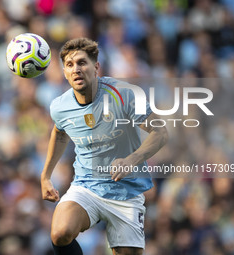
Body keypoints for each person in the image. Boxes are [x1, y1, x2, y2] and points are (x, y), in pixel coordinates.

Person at [41, 38, 168, 255]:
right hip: (86, 186)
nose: (76, 69)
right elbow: (59, 134)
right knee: (60, 233)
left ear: (96, 67)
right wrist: (46, 176)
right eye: (70, 65)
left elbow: (160, 133)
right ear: (64, 72)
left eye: (82, 63)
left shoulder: (124, 94)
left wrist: (131, 160)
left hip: (126, 191)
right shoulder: (60, 107)